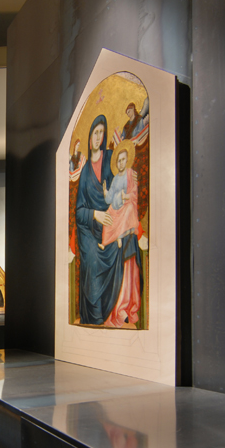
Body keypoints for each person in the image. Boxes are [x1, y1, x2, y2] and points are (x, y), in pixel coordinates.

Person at [74, 114, 143, 327]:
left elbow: (123, 180)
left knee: (122, 246)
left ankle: (118, 308)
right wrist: (95, 214)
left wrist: (131, 177)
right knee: (92, 257)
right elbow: (79, 212)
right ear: (90, 137)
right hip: (89, 229)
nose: (98, 137)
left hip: (112, 221)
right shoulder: (85, 173)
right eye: (95, 133)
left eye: (101, 133)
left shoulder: (112, 158)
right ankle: (95, 315)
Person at [100, 141, 143, 249]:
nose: (121, 163)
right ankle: (104, 242)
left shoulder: (130, 174)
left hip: (126, 206)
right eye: (119, 161)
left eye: (123, 159)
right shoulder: (115, 179)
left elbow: (135, 194)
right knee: (107, 216)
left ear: (127, 160)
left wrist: (125, 197)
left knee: (129, 209)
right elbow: (109, 198)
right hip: (115, 208)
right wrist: (105, 192)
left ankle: (119, 236)